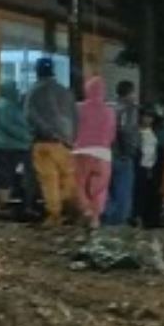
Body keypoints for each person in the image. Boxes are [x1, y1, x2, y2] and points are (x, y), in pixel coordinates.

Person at [25, 58, 78, 226]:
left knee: (49, 180)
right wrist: (71, 138)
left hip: (43, 142)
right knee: (67, 178)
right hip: (65, 144)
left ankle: (54, 214)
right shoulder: (66, 92)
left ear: (37, 71)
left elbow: (29, 115)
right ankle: (69, 209)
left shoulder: (33, 91)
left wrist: (47, 131)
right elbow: (75, 117)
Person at [71, 77, 116, 231]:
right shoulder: (110, 111)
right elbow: (112, 134)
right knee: (100, 187)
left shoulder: (78, 108)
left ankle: (86, 210)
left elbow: (72, 128)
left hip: (80, 151)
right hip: (103, 153)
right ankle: (96, 218)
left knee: (80, 185)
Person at [0, 75, 33, 213]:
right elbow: (9, 125)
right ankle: (5, 203)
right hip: (11, 145)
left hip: (7, 145)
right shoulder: (6, 105)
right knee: (9, 174)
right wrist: (26, 137)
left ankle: (6, 202)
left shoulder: (6, 104)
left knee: (7, 174)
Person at [104, 80, 142, 227]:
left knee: (108, 189)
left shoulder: (109, 107)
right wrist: (130, 151)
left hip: (106, 154)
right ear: (131, 92)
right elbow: (126, 131)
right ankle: (119, 223)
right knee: (123, 192)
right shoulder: (129, 108)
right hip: (122, 155)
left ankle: (107, 219)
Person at [135, 111, 164, 226]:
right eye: (146, 117)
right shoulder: (137, 131)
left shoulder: (154, 132)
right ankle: (137, 217)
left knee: (149, 194)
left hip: (151, 168)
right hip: (140, 166)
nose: (148, 120)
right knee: (139, 193)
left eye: (150, 117)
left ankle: (147, 219)